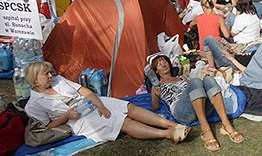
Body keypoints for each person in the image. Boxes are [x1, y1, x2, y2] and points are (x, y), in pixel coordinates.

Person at [24, 61, 190, 143]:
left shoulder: (58, 80)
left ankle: (171, 125)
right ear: (35, 79)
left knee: (128, 107)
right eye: (46, 74)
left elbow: (85, 91)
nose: (51, 76)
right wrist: (67, 115)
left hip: (90, 103)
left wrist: (100, 105)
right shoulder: (33, 104)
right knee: (123, 121)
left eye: (50, 73)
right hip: (78, 119)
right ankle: (167, 134)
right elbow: (48, 127)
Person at [150, 54, 243, 151]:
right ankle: (205, 129)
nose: (164, 64)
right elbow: (155, 108)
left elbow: (197, 87)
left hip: (199, 106)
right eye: (159, 64)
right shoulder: (157, 87)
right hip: (181, 111)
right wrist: (155, 95)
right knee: (195, 81)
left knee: (208, 79)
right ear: (156, 70)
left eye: (165, 61)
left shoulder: (182, 77)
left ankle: (226, 124)